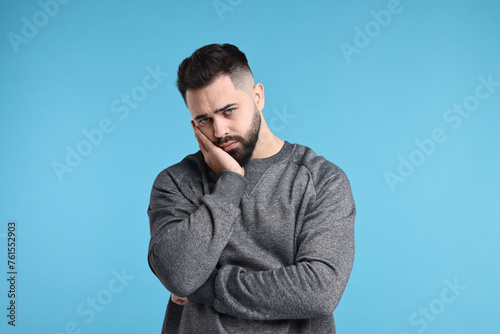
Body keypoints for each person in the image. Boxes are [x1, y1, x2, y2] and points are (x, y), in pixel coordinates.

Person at [147, 43, 356, 334]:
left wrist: (204, 288)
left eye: (229, 111)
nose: (219, 131)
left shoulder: (322, 179)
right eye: (204, 119)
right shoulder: (176, 183)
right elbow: (180, 275)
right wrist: (230, 182)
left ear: (257, 96)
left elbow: (319, 290)